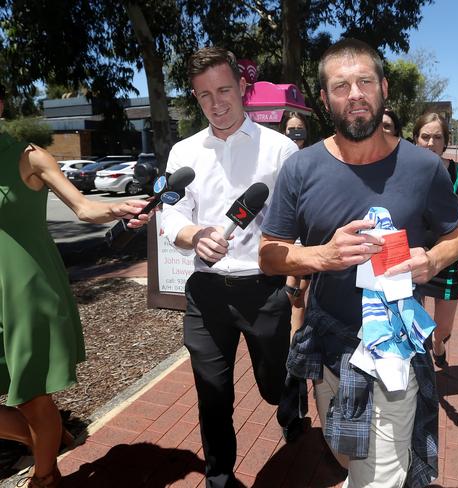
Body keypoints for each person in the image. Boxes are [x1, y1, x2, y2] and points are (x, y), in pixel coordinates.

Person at [259, 38, 458, 488]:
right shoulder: (301, 168)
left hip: (394, 349)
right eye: (340, 86)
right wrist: (322, 256)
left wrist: (432, 260)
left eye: (364, 82)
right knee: (343, 453)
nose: (354, 94)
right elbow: (269, 253)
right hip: (331, 346)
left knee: (378, 479)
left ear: (384, 89)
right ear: (324, 99)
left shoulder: (423, 167)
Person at [159, 47, 298, 488]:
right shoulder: (183, 151)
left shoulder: (282, 149)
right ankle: (218, 477)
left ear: (243, 88)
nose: (216, 103)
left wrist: (293, 277)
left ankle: (289, 395)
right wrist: (194, 235)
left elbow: (300, 220)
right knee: (213, 393)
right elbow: (171, 215)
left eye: (223, 90)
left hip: (265, 290)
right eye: (204, 95)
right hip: (208, 291)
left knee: (272, 385)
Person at [0, 83, 149, 488]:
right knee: (30, 408)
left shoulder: (29, 157)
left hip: (25, 292)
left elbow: (84, 207)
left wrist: (117, 207)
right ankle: (51, 435)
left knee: (32, 396)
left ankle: (45, 475)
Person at [413, 112, 458, 367]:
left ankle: (438, 343)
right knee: (411, 319)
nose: (430, 143)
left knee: (443, 326)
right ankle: (418, 366)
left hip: (449, 259)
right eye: (425, 137)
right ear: (415, 139)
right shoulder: (404, 169)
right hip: (413, 256)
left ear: (445, 141)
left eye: (437, 137)